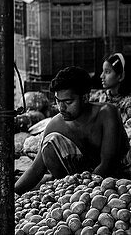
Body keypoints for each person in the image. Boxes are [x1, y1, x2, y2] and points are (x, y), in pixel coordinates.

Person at [15, 66, 131, 195]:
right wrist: (11, 194)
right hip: (83, 183)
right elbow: (35, 169)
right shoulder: (56, 124)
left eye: (68, 102)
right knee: (50, 142)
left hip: (118, 177)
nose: (61, 107)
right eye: (58, 101)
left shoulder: (107, 113)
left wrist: (84, 192)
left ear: (85, 98)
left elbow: (108, 163)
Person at [96, 52, 131, 122]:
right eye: (103, 71)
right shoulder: (100, 97)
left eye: (107, 72)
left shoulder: (128, 103)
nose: (102, 76)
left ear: (120, 76)